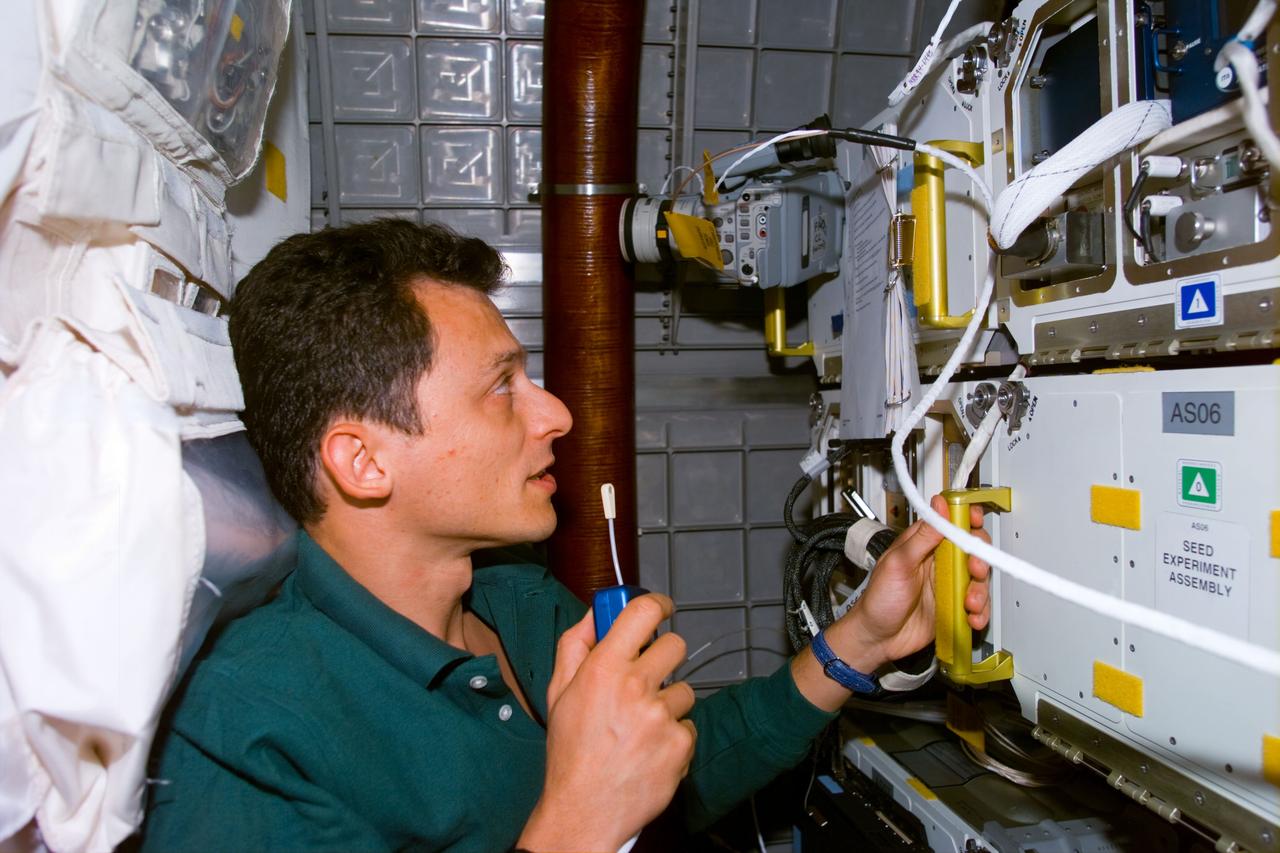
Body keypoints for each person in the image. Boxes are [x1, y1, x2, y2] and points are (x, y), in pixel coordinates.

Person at [140, 219, 991, 852]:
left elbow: (682, 764)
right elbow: (595, 806)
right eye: (502, 387)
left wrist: (859, 642)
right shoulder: (248, 728)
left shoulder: (516, 601)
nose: (556, 413)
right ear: (363, 461)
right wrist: (576, 827)